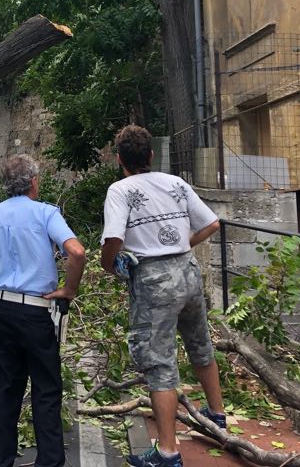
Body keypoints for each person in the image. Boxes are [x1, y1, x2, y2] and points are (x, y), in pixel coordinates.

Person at [100, 125, 226, 467]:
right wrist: (183, 245)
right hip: (187, 270)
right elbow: (212, 223)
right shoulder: (175, 183)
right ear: (151, 155)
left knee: (159, 363)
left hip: (153, 279)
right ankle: (217, 416)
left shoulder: (120, 190)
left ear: (119, 160)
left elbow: (113, 237)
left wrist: (109, 264)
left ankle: (168, 451)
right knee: (200, 343)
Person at [0, 154, 86, 467]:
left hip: (2, 308)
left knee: (5, 389)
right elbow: (76, 251)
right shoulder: (46, 213)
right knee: (46, 388)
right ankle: (49, 461)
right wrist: (69, 289)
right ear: (34, 181)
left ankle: (0, 461)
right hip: (38, 310)